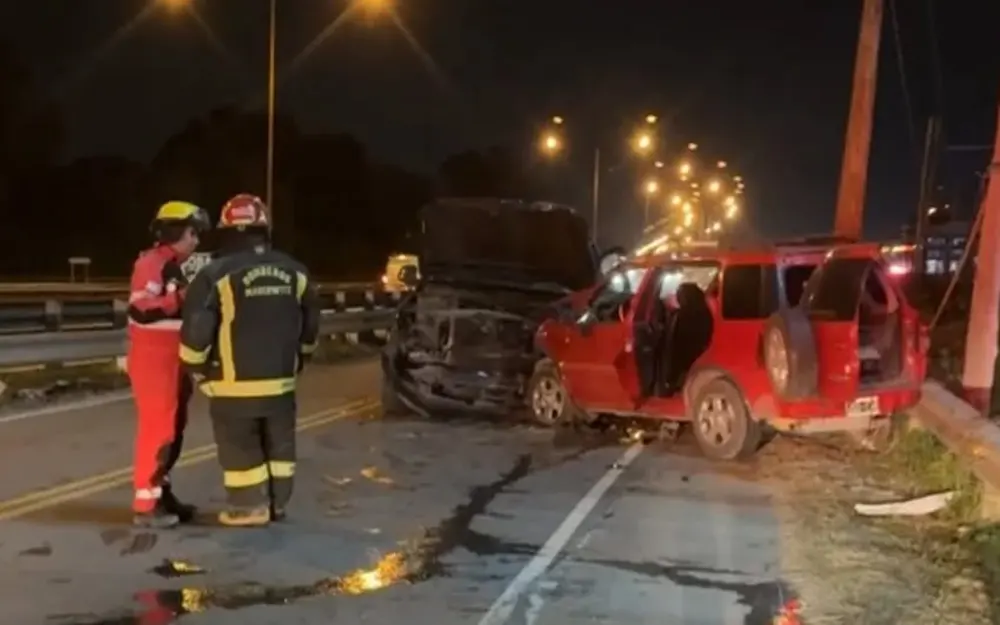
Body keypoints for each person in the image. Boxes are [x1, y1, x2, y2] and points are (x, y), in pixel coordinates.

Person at [179, 193, 321, 527]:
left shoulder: (215, 274)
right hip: (282, 383)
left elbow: (197, 329)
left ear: (227, 230)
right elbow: (311, 322)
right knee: (280, 445)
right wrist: (302, 358)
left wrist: (195, 367)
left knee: (240, 445)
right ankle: (278, 504)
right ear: (265, 228)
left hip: (233, 383)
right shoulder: (296, 271)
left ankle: (248, 506)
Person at [128, 200, 211, 528]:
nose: (196, 241)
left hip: (172, 359)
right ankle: (146, 505)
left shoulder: (172, 265)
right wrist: (182, 297)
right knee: (158, 430)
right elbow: (142, 309)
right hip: (154, 360)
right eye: (193, 233)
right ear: (176, 232)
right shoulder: (152, 263)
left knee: (174, 430)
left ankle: (162, 493)